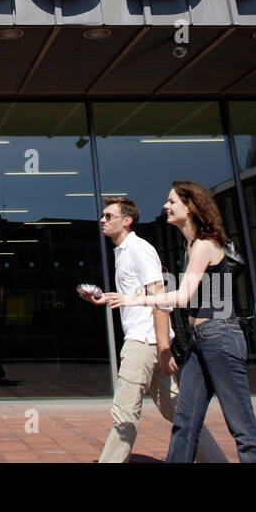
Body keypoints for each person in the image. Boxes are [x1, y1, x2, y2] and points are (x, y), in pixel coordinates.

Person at [98, 181, 256, 463]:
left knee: (242, 427)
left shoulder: (204, 245)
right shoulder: (190, 245)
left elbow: (181, 296)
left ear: (190, 207)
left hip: (221, 336)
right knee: (184, 420)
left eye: (172, 202)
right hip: (200, 341)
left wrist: (133, 300)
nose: (165, 206)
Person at [80, 197, 226, 463]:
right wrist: (105, 298)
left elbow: (159, 297)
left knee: (124, 414)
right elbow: (138, 295)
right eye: (102, 215)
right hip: (148, 341)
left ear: (127, 221)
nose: (102, 220)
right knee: (180, 413)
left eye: (108, 216)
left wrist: (163, 347)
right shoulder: (122, 250)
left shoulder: (139, 249)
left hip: (143, 342)